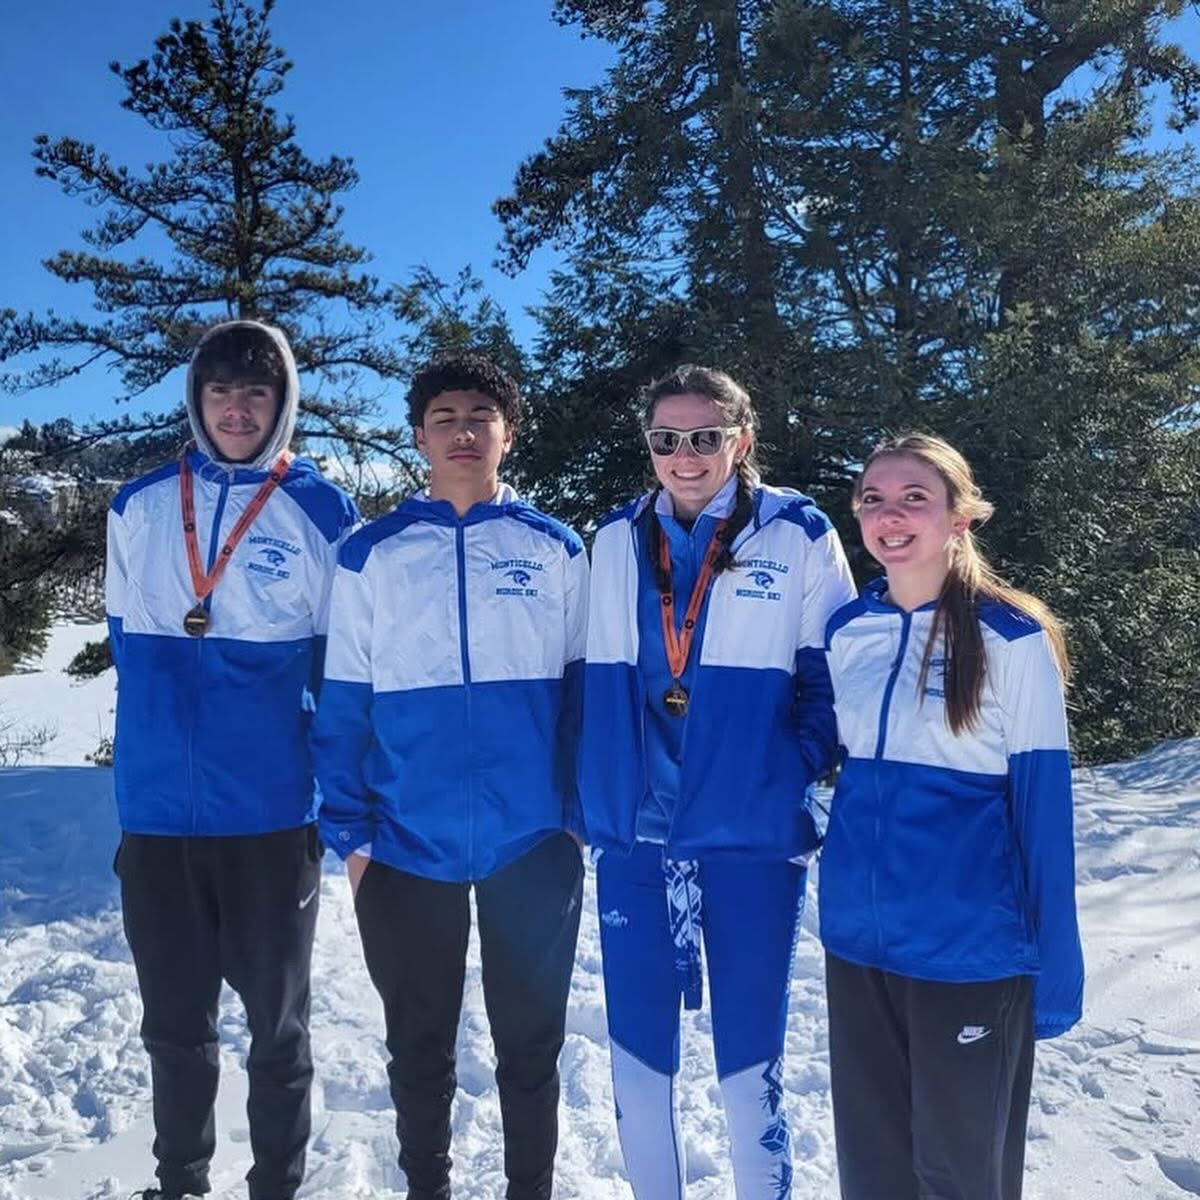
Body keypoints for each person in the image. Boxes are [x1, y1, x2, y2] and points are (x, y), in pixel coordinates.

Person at [311, 352, 587, 1200]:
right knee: (419, 1040)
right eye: (444, 419)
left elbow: (585, 692)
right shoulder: (371, 554)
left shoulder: (554, 547)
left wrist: (574, 814)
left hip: (531, 841)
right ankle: (425, 1186)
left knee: (531, 1041)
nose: (463, 432)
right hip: (404, 840)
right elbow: (342, 699)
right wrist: (351, 831)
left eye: (479, 416)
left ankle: (528, 1190)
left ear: (507, 431)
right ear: (420, 437)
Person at [578, 365, 856, 1199]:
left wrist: (783, 775)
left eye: (705, 437)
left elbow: (832, 678)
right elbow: (587, 679)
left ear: (741, 438)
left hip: (751, 838)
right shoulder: (614, 538)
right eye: (667, 439)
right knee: (637, 1063)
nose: (686, 455)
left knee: (750, 1061)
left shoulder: (798, 531)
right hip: (638, 835)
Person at [105, 320, 358, 1200]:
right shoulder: (136, 507)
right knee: (173, 1026)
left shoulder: (321, 510)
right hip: (158, 816)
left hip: (271, 815)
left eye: (256, 392)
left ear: (282, 403)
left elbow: (342, 674)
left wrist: (340, 799)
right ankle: (180, 1182)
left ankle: (276, 1188)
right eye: (221, 391)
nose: (238, 408)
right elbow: (128, 646)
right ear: (196, 400)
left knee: (277, 1031)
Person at [820, 432, 1085, 1200]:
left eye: (914, 498)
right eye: (873, 499)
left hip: (968, 950)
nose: (889, 515)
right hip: (860, 941)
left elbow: (1042, 809)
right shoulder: (849, 633)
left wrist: (1056, 956)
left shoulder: (1012, 638)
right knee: (873, 1170)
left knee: (959, 1177)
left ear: (960, 516)